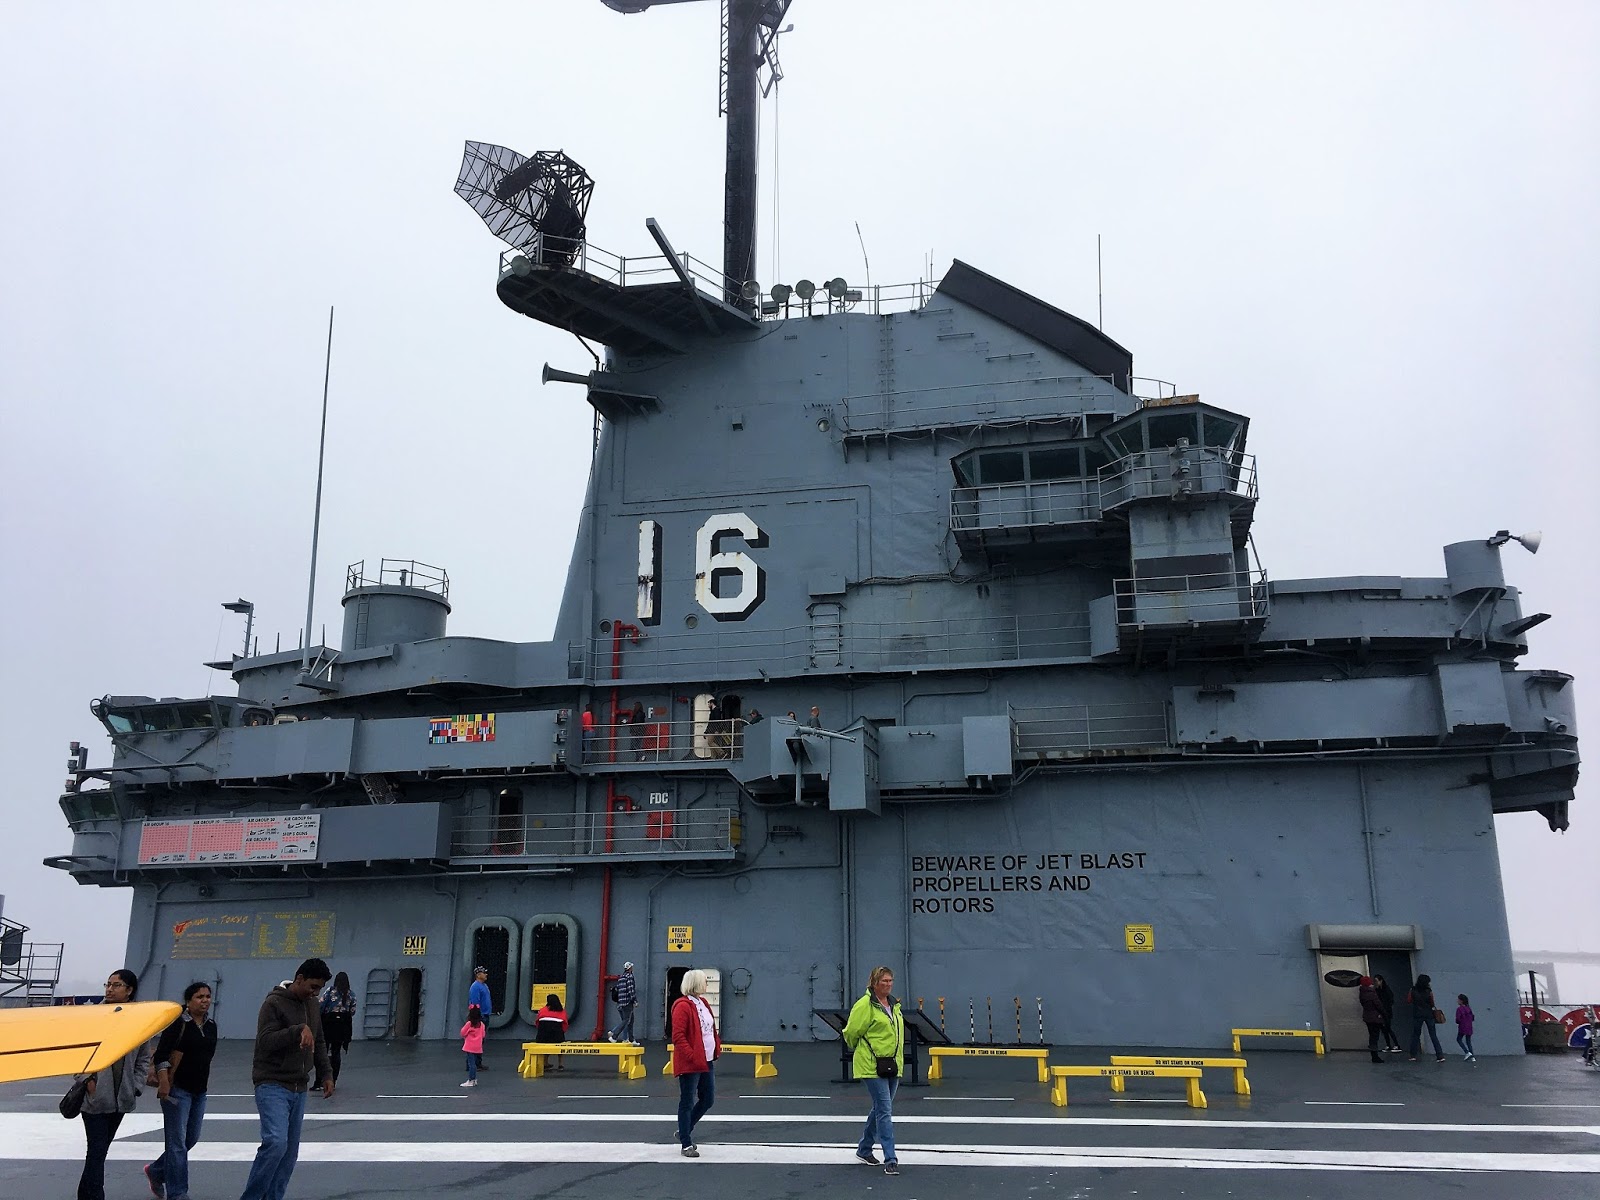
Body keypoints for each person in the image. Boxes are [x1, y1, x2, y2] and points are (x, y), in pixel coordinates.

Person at [238, 957, 334, 1200]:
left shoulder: (312, 1004)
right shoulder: (273, 1004)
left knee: (290, 1153)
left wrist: (326, 1073)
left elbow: (319, 1040)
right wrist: (297, 1030)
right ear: (298, 979)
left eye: (320, 988)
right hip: (272, 1082)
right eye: (313, 986)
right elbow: (266, 1041)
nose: (316, 992)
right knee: (275, 1144)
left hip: (299, 1086)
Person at [78, 968, 152, 1200]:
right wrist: (88, 1080)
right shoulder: (94, 1016)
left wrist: (137, 1086)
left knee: (99, 1151)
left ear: (130, 990)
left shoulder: (139, 1020)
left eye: (116, 985)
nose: (110, 989)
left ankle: (85, 1194)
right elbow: (79, 1052)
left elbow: (143, 1058)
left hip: (122, 1097)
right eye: (108, 984)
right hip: (95, 1097)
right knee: (97, 1150)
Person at [145, 981, 218, 1200]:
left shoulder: (211, 1025)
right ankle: (178, 1193)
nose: (204, 1001)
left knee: (190, 1139)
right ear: (188, 1001)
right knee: (176, 1144)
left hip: (199, 1091)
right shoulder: (177, 1024)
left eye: (207, 996)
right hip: (177, 1090)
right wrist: (165, 1081)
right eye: (199, 997)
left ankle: (157, 1171)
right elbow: (161, 1056)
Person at [843, 964, 904, 1176]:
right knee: (885, 1111)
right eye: (883, 981)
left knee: (880, 1108)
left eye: (890, 981)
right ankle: (891, 1159)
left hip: (892, 1064)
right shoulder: (865, 1006)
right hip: (871, 1065)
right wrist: (865, 1052)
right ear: (874, 983)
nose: (888, 985)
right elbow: (850, 1032)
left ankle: (864, 1148)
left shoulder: (893, 1005)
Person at [671, 969, 720, 1157]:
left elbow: (708, 1029)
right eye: (704, 981)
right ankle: (686, 1144)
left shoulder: (703, 1002)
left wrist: (716, 1046)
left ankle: (684, 1130)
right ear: (696, 983)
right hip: (692, 1062)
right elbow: (678, 1036)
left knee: (708, 1099)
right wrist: (691, 1055)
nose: (706, 984)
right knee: (687, 1101)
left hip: (706, 1059)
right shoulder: (682, 1006)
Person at [317, 971, 356, 1088]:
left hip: (329, 1024)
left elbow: (321, 1006)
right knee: (336, 1053)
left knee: (322, 1053)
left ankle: (319, 1081)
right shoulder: (351, 994)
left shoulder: (330, 991)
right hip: (342, 1027)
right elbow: (352, 1011)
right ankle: (333, 1080)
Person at [1407, 972, 1447, 1062]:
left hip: (1417, 1014)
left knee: (1416, 1035)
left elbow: (1409, 1000)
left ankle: (1413, 1055)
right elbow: (1432, 1003)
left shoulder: (1412, 990)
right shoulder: (1429, 991)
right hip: (1429, 1015)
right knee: (1433, 1035)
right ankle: (1440, 1055)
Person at [467, 966, 493, 1071]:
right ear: (478, 975)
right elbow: (474, 1003)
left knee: (480, 1041)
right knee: (475, 1041)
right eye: (484, 973)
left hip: (485, 1015)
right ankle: (472, 1064)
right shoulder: (475, 987)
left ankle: (478, 1063)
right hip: (480, 1016)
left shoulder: (484, 986)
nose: (486, 974)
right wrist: (476, 1017)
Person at [606, 961, 638, 1044]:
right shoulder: (629, 977)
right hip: (628, 1002)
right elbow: (631, 990)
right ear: (630, 968)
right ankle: (614, 1035)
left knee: (630, 1020)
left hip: (621, 1003)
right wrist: (635, 1000)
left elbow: (619, 990)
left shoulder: (621, 978)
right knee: (627, 1020)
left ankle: (631, 1039)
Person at [535, 993, 569, 1070]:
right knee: (560, 1044)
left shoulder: (542, 1010)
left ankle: (545, 1062)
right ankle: (560, 1064)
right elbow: (565, 1025)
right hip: (557, 1037)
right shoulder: (562, 1011)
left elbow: (537, 1023)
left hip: (542, 1038)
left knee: (545, 1043)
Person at [1357, 976, 1385, 1064]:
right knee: (1375, 1037)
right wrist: (1384, 1013)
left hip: (1367, 1016)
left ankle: (1373, 1054)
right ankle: (1375, 1056)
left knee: (1372, 1035)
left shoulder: (1362, 993)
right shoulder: (1371, 993)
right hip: (1375, 1017)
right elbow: (1378, 1004)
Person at [1373, 973, 1402, 1052]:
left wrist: (1384, 1010)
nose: (1375, 983)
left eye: (1377, 981)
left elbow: (1389, 1000)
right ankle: (1388, 1045)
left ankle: (1396, 1045)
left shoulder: (1386, 990)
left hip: (1386, 1012)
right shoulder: (1377, 990)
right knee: (1384, 1030)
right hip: (1381, 1012)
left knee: (1388, 1028)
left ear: (1381, 981)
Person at [460, 1005, 485, 1087]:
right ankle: (473, 1080)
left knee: (471, 1064)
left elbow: (463, 1033)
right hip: (478, 1047)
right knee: (474, 1063)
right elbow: (483, 1035)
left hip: (470, 1047)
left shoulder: (469, 1024)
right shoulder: (481, 1024)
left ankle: (471, 1079)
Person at [1455, 994, 1476, 1061]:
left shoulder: (1459, 1009)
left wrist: (1458, 1022)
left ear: (1461, 1001)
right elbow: (1472, 1017)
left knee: (1459, 1039)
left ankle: (1467, 1052)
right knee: (1468, 1041)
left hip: (1462, 1026)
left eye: (1458, 1000)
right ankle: (1472, 1056)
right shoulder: (1468, 1008)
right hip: (1469, 1026)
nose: (1457, 1001)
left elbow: (1458, 1019)